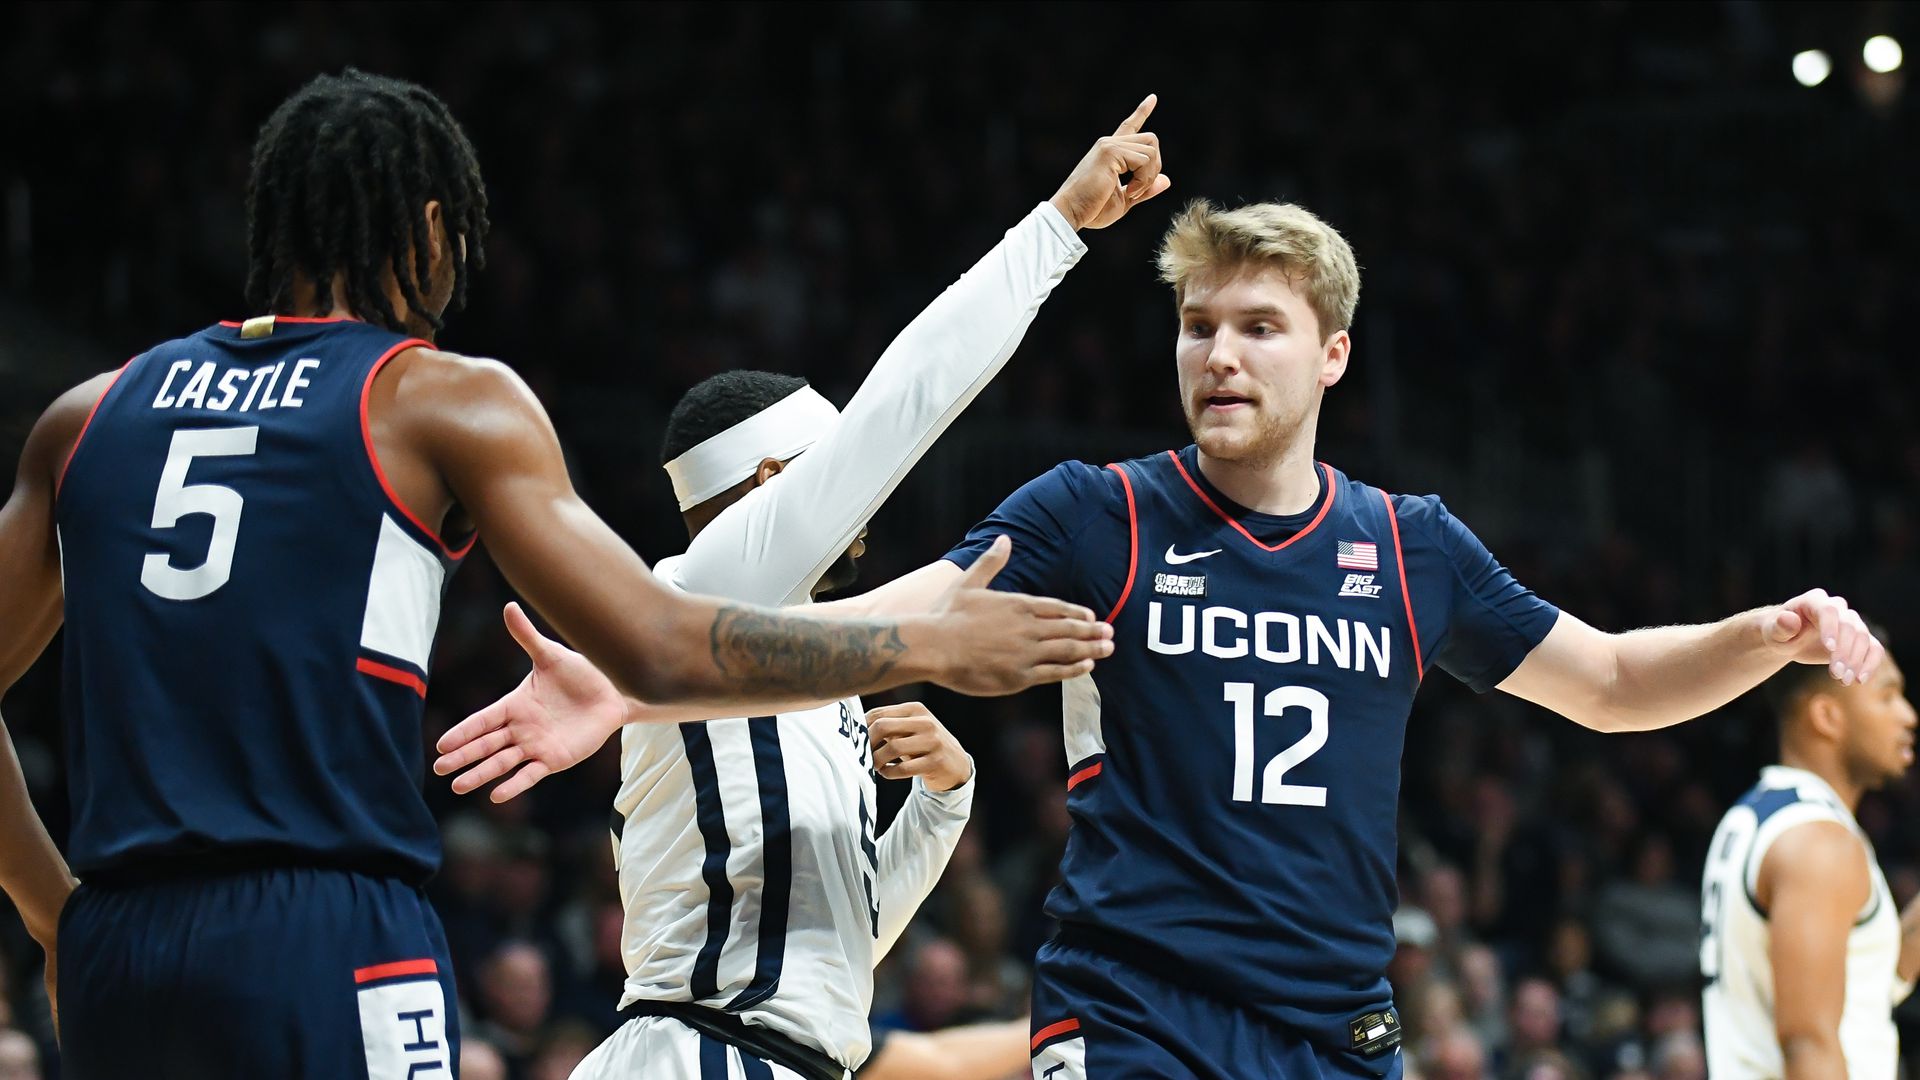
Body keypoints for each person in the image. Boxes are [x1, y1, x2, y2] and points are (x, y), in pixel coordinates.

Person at [441, 197, 1882, 1078]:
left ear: (1331, 355)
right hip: (1135, 1018)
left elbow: (1618, 682)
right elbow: (870, 625)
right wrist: (634, 686)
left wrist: (1765, 630)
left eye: (1258, 326)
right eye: (1197, 325)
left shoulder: (1409, 545)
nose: (1218, 354)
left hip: (1329, 1029)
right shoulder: (1098, 512)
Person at [0, 69, 1112, 1079]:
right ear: (433, 224)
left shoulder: (85, 419)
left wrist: (56, 913)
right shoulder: (436, 400)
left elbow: (829, 944)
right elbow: (688, 623)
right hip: (336, 924)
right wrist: (925, 644)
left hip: (125, 937)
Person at [520, 101, 1156, 1080]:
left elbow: (838, 954)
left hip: (784, 1056)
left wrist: (944, 802)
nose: (858, 496)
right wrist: (1056, 230)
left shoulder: (815, 659)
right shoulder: (709, 583)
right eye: (828, 469)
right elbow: (904, 405)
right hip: (695, 1052)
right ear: (775, 486)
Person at [1700, 632, 1917, 1079]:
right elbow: (1809, 1043)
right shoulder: (1818, 843)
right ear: (1827, 716)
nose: (1908, 716)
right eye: (1888, 696)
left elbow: (1867, 980)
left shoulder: (1761, 814)